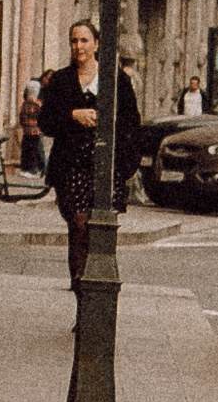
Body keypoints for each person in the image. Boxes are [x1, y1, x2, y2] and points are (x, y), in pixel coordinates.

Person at [39, 15, 142, 288]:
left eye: (84, 40)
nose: (78, 46)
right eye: (74, 41)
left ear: (96, 44)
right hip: (71, 166)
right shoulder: (61, 80)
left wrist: (126, 163)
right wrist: (73, 115)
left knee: (102, 231)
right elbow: (45, 122)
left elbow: (132, 122)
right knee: (79, 224)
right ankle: (80, 284)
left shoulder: (115, 79)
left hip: (105, 166)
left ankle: (99, 285)